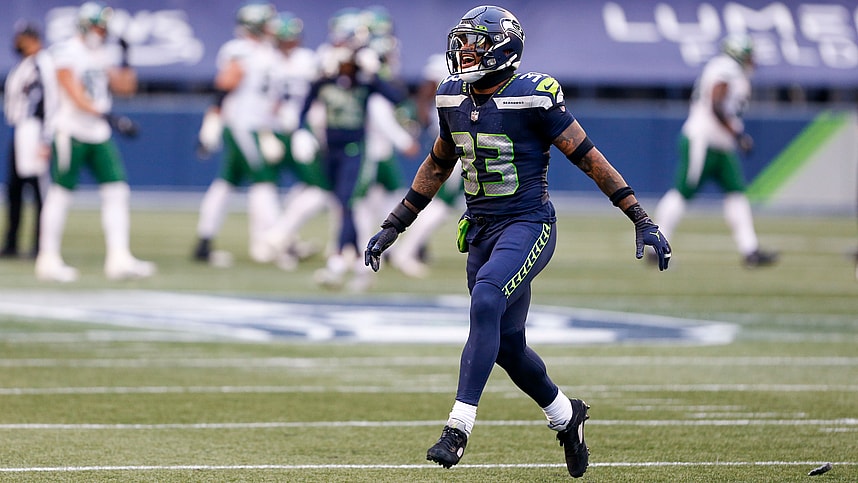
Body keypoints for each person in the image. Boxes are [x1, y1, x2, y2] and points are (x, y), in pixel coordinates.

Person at [364, 5, 671, 478]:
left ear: (503, 49)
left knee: (486, 300)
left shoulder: (533, 96)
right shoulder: (451, 97)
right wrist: (394, 224)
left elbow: (589, 159)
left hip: (528, 224)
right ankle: (568, 417)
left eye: (475, 43)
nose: (464, 52)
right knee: (507, 346)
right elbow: (437, 163)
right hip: (482, 231)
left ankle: (458, 427)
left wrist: (640, 216)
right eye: (462, 43)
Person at [35, 1, 154, 282]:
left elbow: (126, 87)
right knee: (61, 194)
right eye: (99, 26)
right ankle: (47, 258)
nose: (103, 32)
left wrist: (127, 56)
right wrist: (109, 116)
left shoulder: (100, 53)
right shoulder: (66, 51)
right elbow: (73, 92)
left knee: (117, 191)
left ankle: (119, 257)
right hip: (70, 130)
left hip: (97, 132)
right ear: (86, 25)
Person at [296, 8, 408, 289]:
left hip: (356, 148)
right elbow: (308, 99)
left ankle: (343, 261)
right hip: (328, 147)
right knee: (341, 204)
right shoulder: (326, 68)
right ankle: (350, 258)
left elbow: (396, 97)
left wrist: (372, 73)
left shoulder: (364, 74)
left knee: (349, 203)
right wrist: (301, 132)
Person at [653, 34, 778, 268]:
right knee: (683, 192)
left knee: (736, 193)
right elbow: (716, 104)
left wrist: (734, 135)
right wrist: (738, 134)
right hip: (703, 141)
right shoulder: (726, 68)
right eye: (748, 55)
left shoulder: (730, 70)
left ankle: (750, 250)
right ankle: (656, 244)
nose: (752, 61)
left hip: (720, 145)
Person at [192, 1, 281, 266]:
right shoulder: (240, 50)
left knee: (225, 184)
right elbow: (225, 86)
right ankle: (279, 239)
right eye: (266, 21)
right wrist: (211, 124)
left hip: (256, 125)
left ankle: (204, 242)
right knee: (263, 180)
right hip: (243, 125)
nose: (271, 26)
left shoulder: (266, 51)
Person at [2, 21, 57, 259]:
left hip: (35, 131)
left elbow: (52, 102)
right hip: (20, 130)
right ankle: (12, 242)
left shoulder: (43, 63)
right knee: (14, 189)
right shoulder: (24, 65)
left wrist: (46, 138)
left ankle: (41, 245)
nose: (17, 42)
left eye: (22, 37)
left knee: (38, 190)